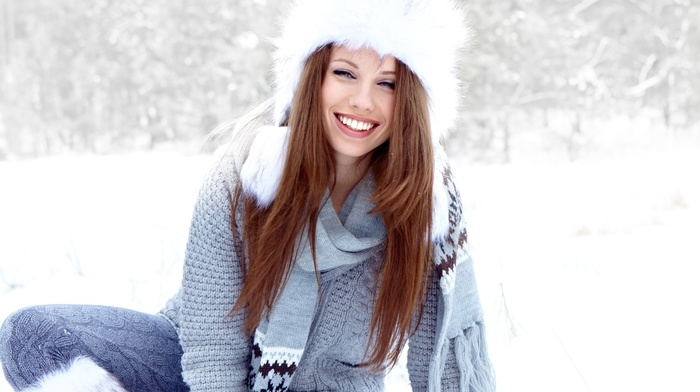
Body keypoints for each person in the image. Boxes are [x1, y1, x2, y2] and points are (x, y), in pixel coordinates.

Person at [0, 0, 496, 391]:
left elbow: (448, 363)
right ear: (312, 78)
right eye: (345, 72)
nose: (362, 101)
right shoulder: (246, 175)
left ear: (408, 100)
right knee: (31, 336)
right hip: (193, 367)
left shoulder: (425, 206)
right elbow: (213, 348)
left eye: (386, 83)